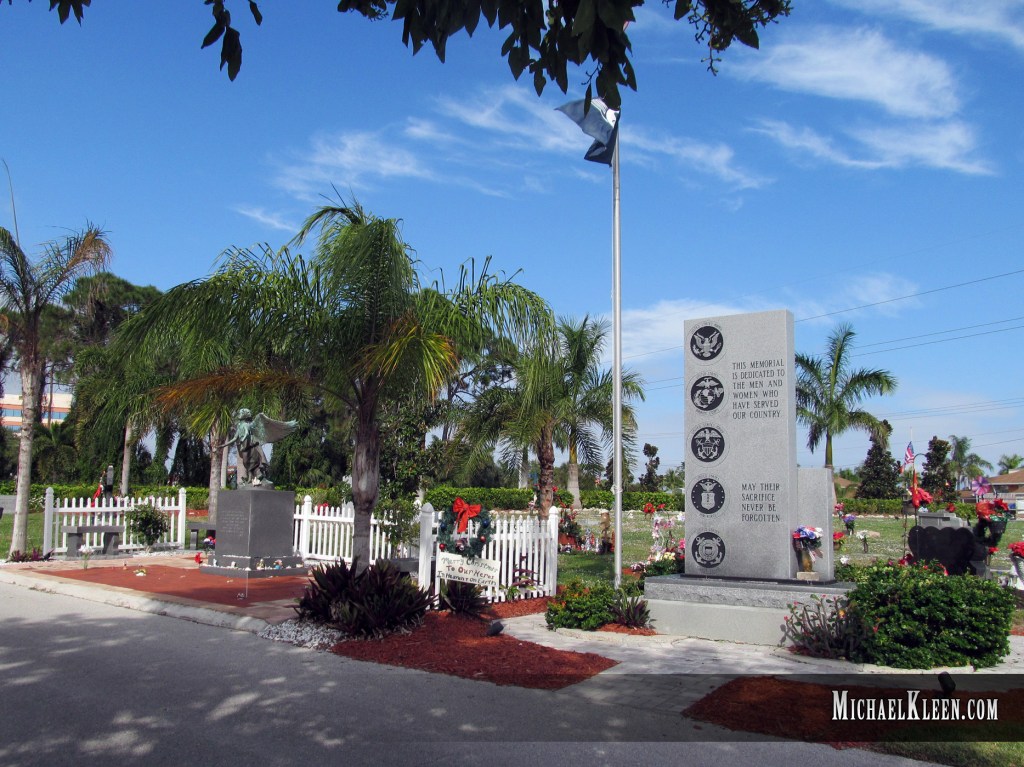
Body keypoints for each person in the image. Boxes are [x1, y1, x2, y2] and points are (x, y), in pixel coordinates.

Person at [219, 408, 298, 486]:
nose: (239, 414)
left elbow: (246, 433)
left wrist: (243, 439)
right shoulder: (239, 426)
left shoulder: (247, 425)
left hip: (251, 447)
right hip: (245, 448)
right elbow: (235, 438)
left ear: (245, 415)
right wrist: (224, 445)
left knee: (252, 463)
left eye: (241, 413)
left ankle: (256, 478)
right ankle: (251, 478)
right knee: (246, 463)